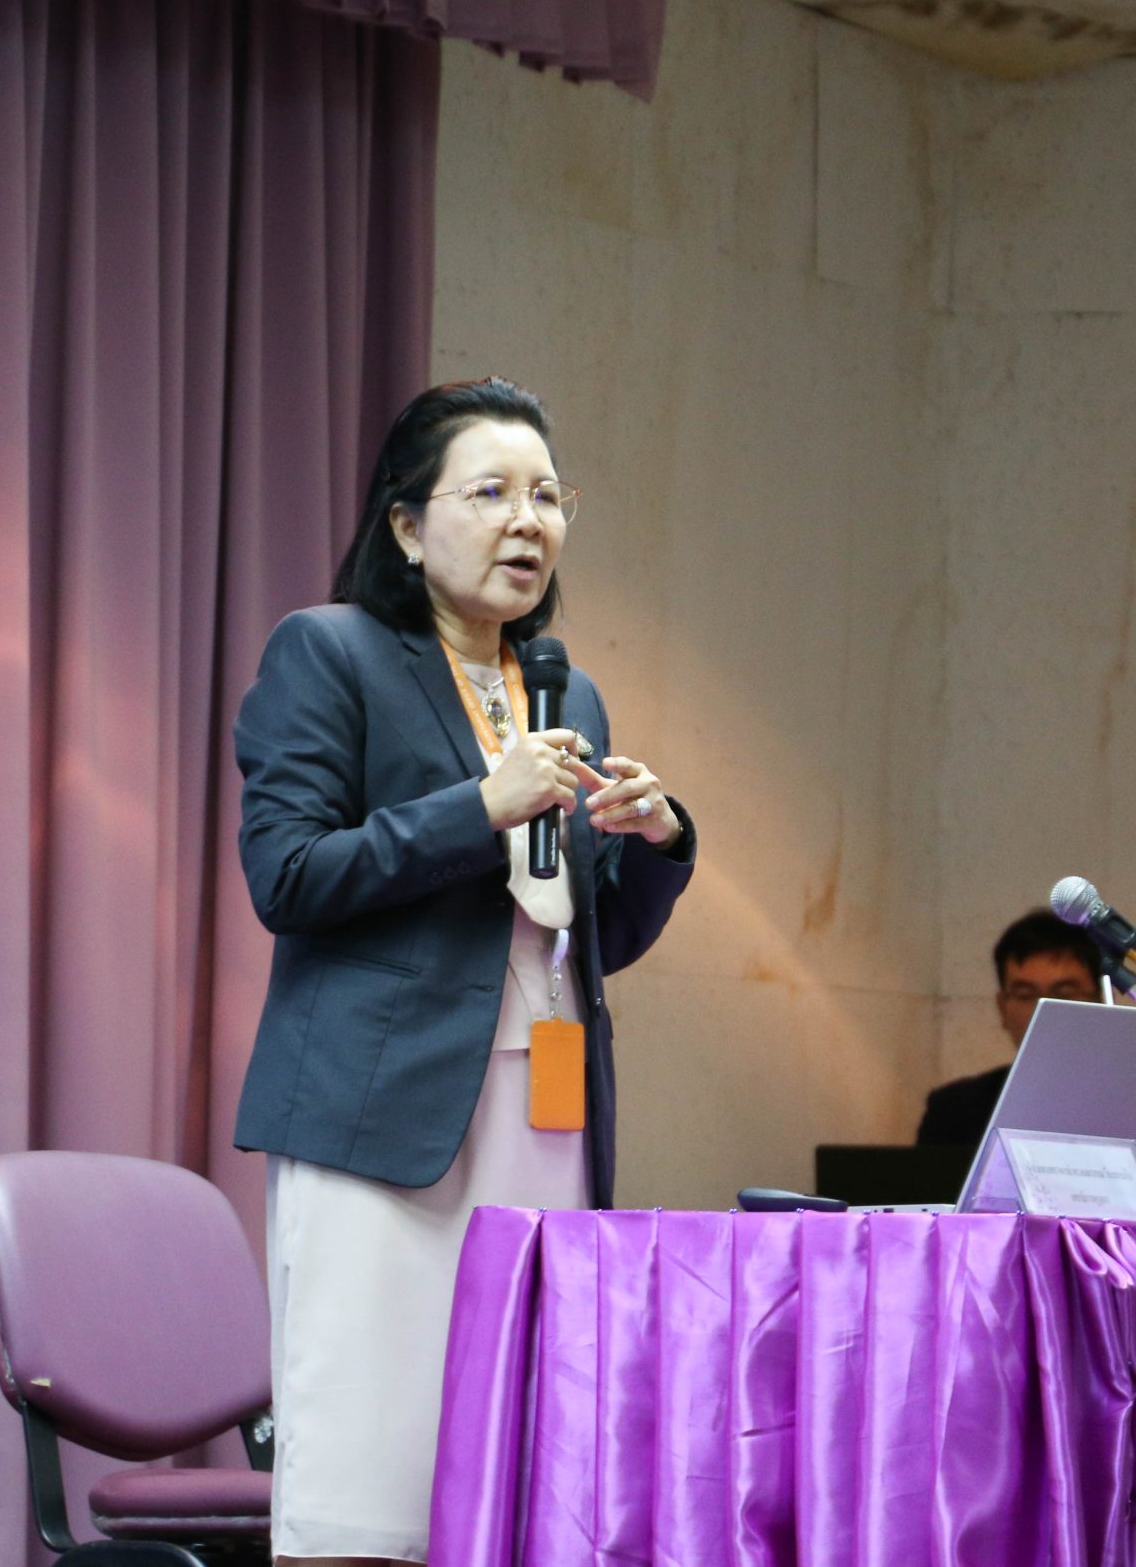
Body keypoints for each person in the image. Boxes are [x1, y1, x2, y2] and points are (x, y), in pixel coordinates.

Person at [231, 377, 696, 1566]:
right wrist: (478, 807)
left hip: (544, 1110)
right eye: (490, 493)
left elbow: (588, 935)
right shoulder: (328, 652)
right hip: (379, 1119)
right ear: (405, 523)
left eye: (547, 497)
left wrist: (657, 845)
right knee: (372, 1472)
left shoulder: (566, 690)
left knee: (525, 1467)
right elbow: (288, 876)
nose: (526, 522)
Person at [918, 908, 1136, 1195]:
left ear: (1100, 1000)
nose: (1044, 1009)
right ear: (1002, 1007)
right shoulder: (953, 1111)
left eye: (1064, 993)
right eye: (1025, 995)